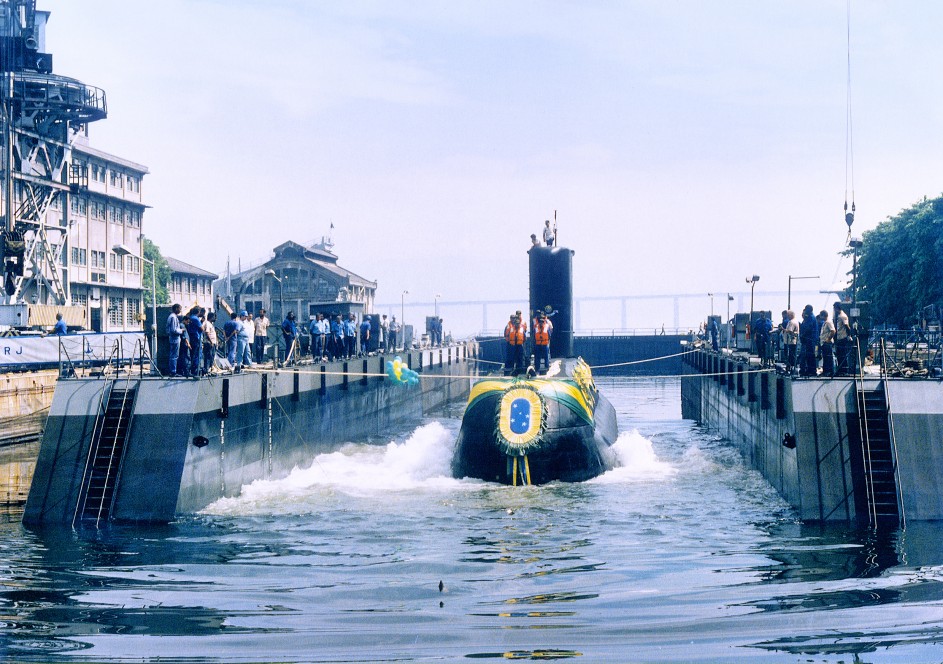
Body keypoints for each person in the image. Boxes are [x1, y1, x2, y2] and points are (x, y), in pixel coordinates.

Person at [798, 305, 819, 377]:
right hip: (808, 340)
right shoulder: (809, 318)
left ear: (809, 310)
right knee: (808, 355)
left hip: (810, 339)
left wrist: (803, 335)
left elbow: (808, 328)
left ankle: (812, 371)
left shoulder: (811, 318)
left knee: (811, 355)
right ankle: (809, 369)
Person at [166, 303, 185, 377]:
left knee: (172, 355)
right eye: (179, 309)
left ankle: (172, 370)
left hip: (173, 338)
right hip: (175, 338)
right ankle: (173, 371)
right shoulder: (173, 317)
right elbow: (174, 330)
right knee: (174, 355)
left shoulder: (171, 316)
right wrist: (181, 330)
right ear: (176, 308)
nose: (180, 310)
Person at [834, 302, 852, 376]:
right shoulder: (838, 316)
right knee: (839, 355)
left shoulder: (843, 316)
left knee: (842, 354)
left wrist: (849, 335)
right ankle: (840, 369)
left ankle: (844, 370)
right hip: (839, 337)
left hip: (842, 337)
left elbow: (847, 326)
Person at [185, 306, 204, 378]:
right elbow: (201, 328)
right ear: (198, 312)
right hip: (196, 338)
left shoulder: (191, 317)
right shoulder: (195, 319)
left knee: (193, 354)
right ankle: (195, 370)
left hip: (192, 337)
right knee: (197, 355)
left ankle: (193, 369)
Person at [819, 309, 835, 377]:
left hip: (827, 343)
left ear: (823, 315)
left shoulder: (828, 322)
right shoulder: (825, 322)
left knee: (828, 357)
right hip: (823, 343)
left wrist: (828, 339)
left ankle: (829, 371)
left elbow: (833, 331)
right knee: (825, 357)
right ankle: (825, 371)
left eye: (821, 315)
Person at [202, 311, 217, 375]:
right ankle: (206, 370)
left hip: (213, 343)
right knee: (208, 357)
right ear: (211, 317)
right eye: (214, 317)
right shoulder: (207, 323)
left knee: (211, 357)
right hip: (208, 343)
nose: (215, 319)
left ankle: (210, 369)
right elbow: (207, 333)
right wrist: (211, 342)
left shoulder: (211, 324)